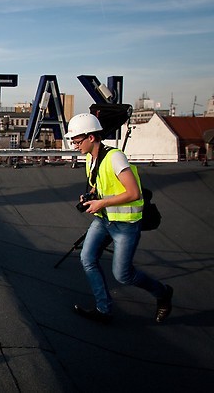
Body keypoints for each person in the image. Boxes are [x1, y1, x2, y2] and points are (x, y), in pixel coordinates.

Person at [66, 113, 173, 324]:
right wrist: (92, 196)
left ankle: (163, 294)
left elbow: (134, 193)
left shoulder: (115, 157)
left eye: (77, 141)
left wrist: (101, 203)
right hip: (104, 220)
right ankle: (103, 310)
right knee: (87, 259)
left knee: (123, 275)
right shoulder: (90, 158)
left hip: (125, 225)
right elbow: (101, 184)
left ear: (91, 137)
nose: (75, 145)